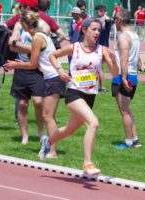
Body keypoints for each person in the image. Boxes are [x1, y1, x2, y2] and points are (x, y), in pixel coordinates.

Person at [39, 17, 119, 176]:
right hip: (74, 94)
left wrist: (113, 61)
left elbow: (115, 73)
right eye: (93, 29)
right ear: (84, 30)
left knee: (69, 130)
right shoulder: (74, 48)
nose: (97, 33)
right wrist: (60, 70)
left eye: (99, 30)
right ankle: (87, 163)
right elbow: (52, 56)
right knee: (93, 123)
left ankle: (48, 143)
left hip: (90, 96)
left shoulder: (101, 50)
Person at [3, 10, 66, 158]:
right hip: (52, 77)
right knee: (47, 115)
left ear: (24, 25)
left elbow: (32, 64)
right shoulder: (41, 35)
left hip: (53, 79)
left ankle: (53, 151)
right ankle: (49, 147)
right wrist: (20, 63)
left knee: (49, 117)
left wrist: (15, 65)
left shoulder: (37, 38)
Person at [8, 0, 47, 144]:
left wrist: (18, 45)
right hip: (22, 68)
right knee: (22, 104)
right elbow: (11, 43)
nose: (20, 8)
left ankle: (41, 133)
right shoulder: (19, 24)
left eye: (23, 6)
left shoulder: (42, 25)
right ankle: (25, 136)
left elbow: (38, 48)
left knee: (38, 101)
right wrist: (15, 43)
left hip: (37, 69)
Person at [112, 9, 142, 149]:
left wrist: (123, 78)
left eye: (114, 19)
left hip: (123, 76)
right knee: (126, 109)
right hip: (131, 75)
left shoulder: (123, 36)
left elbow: (124, 58)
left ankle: (129, 141)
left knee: (124, 110)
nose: (114, 22)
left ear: (119, 20)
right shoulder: (134, 35)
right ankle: (135, 139)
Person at [95, 4, 112, 93]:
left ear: (104, 12)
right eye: (97, 11)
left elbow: (108, 20)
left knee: (99, 67)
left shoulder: (106, 20)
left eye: (100, 11)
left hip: (102, 47)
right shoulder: (97, 21)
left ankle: (102, 87)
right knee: (98, 67)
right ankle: (98, 86)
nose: (98, 12)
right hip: (97, 46)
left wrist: (105, 15)